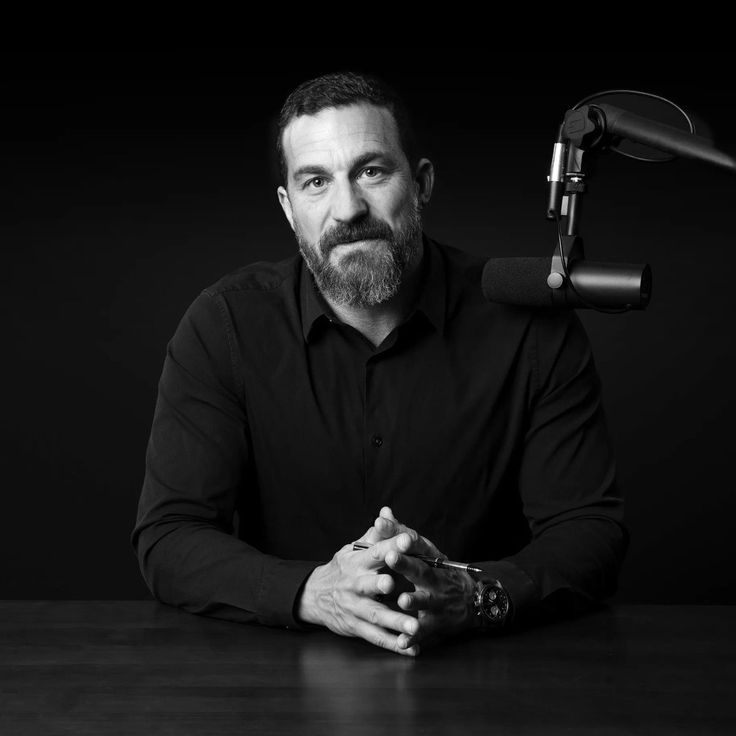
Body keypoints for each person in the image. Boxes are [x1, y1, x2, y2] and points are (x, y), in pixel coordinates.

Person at [131, 71, 627, 657]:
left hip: (493, 672)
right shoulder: (224, 326)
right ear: (290, 209)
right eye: (316, 182)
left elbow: (589, 531)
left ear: (421, 183)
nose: (348, 208)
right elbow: (169, 536)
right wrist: (315, 592)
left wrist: (472, 596)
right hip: (277, 681)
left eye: (371, 171)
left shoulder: (530, 325)